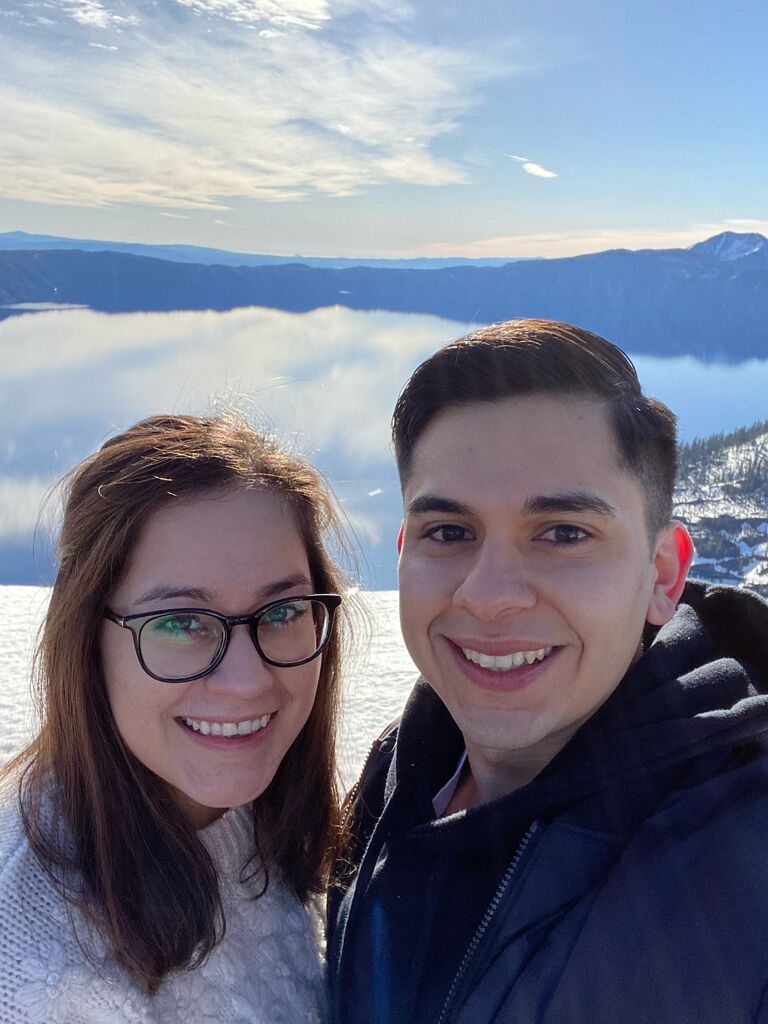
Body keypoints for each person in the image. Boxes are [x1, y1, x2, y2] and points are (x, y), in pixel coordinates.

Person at [328, 319, 768, 1024]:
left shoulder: (745, 855)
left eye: (564, 533)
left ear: (663, 575)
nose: (489, 594)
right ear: (405, 547)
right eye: (450, 532)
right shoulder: (397, 777)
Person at [0, 412, 349, 1024]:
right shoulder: (43, 980)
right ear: (86, 640)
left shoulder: (267, 816)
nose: (247, 681)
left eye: (283, 610)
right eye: (180, 622)